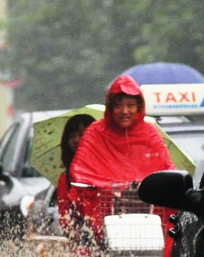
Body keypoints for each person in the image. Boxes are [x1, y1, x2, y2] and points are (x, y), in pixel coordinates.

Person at [63, 75, 175, 238]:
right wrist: (105, 187)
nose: (125, 111)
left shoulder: (149, 133)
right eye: (119, 106)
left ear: (139, 107)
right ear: (110, 107)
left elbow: (166, 170)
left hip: (149, 215)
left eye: (130, 105)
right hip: (105, 214)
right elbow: (80, 170)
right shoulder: (96, 132)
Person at [54, 113, 95, 236]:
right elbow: (65, 218)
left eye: (82, 134)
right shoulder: (65, 179)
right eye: (71, 136)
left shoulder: (108, 171)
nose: (76, 140)